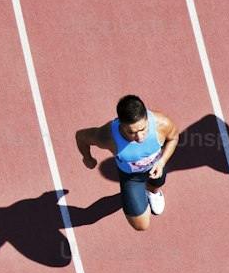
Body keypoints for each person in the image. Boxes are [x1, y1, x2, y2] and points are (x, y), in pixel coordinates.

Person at [76, 96, 179, 232]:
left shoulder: (162, 123)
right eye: (132, 132)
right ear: (121, 124)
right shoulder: (108, 136)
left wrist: (162, 161)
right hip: (131, 178)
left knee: (157, 184)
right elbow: (81, 136)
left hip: (156, 167)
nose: (140, 137)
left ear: (147, 118)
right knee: (141, 225)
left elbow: (173, 138)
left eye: (143, 129)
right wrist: (87, 158)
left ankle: (153, 192)